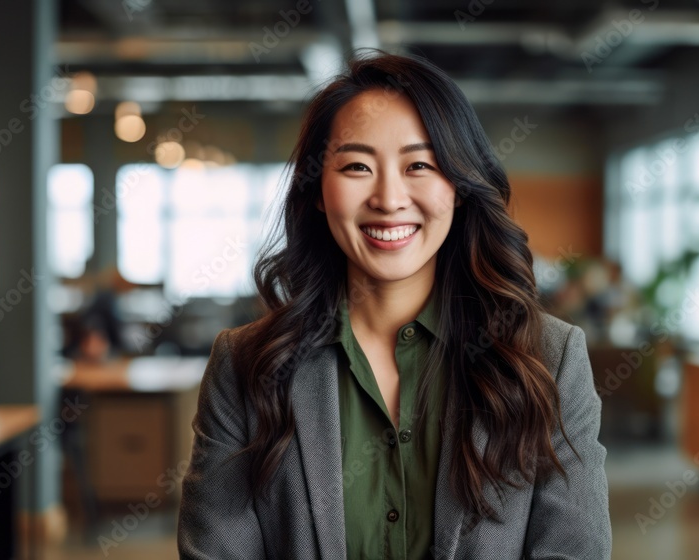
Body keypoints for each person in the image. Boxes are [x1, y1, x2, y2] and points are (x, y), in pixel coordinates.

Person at [177, 49, 611, 559]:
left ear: (460, 186)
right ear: (318, 189)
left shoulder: (549, 359)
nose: (389, 198)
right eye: (358, 165)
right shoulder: (246, 365)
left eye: (420, 165)